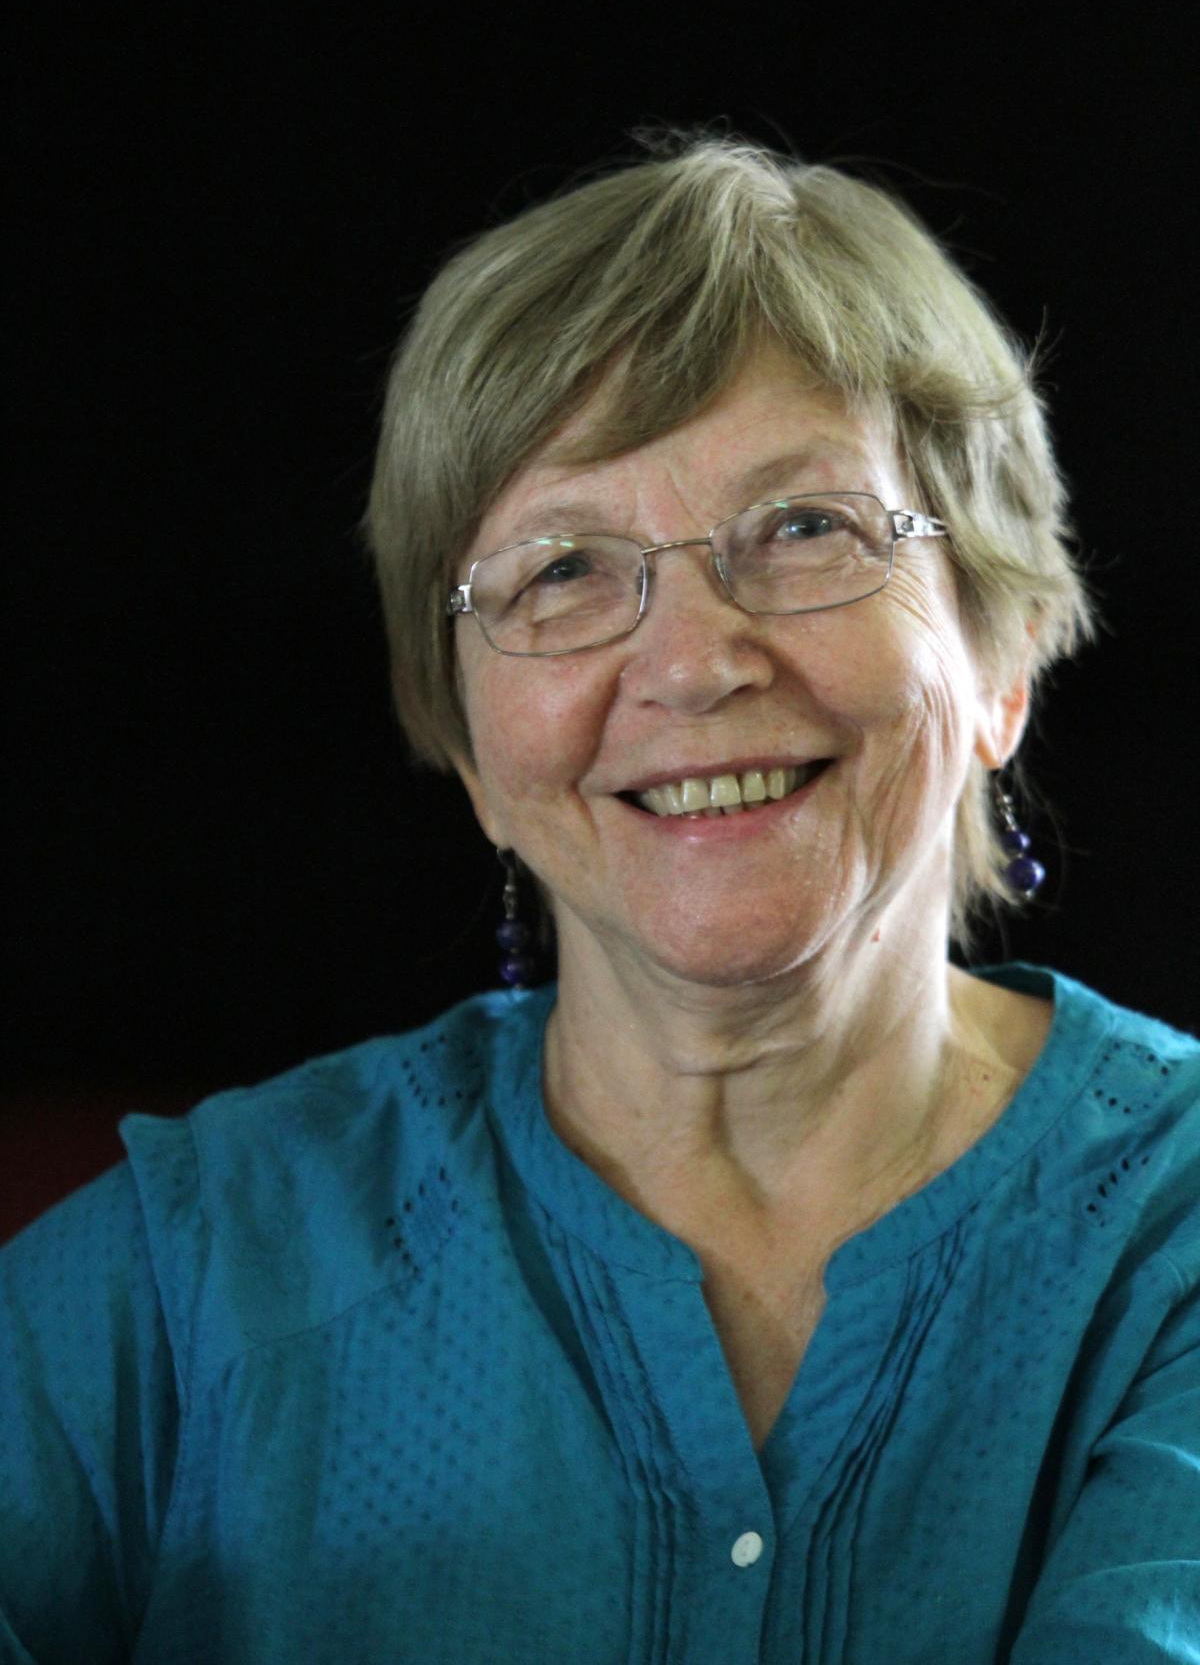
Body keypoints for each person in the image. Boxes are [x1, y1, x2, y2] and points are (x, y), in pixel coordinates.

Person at [2, 133, 1196, 1664]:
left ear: (1002, 661)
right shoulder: (199, 1270)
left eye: (807, 529)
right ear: (469, 746)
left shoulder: (1173, 1228)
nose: (692, 663)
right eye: (562, 570)